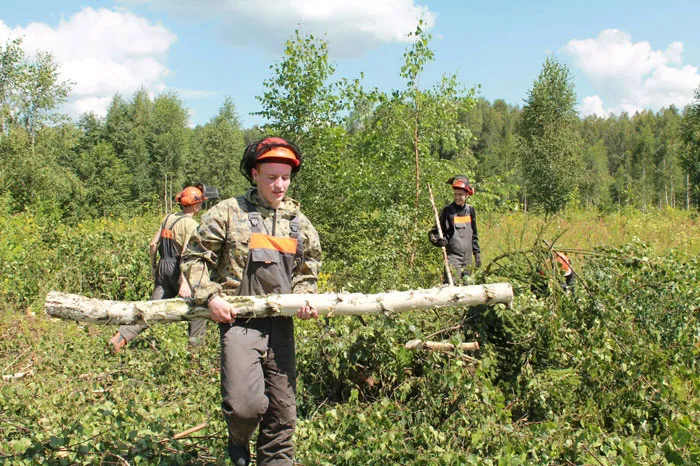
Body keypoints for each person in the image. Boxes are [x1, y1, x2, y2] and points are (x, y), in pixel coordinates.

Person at [181, 137, 322, 466]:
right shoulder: (228, 213)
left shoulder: (298, 222)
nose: (279, 185)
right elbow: (193, 257)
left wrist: (304, 295)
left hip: (281, 325)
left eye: (285, 177)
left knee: (283, 414)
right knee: (246, 406)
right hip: (239, 323)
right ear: (255, 174)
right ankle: (238, 440)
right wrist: (211, 296)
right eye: (271, 177)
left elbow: (308, 267)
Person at [109, 186, 209, 352]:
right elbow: (185, 253)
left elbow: (153, 243)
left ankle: (119, 338)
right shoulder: (191, 224)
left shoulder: (168, 217)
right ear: (195, 205)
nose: (200, 207)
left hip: (163, 266)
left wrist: (155, 267)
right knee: (199, 308)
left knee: (151, 309)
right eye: (200, 203)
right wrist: (184, 282)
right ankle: (195, 351)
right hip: (178, 269)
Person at [428, 175, 481, 285]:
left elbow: (474, 235)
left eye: (460, 195)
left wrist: (477, 254)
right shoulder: (447, 211)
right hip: (453, 259)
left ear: (467, 195)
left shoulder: (470, 211)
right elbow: (433, 233)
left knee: (468, 290)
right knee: (451, 289)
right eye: (455, 194)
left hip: (467, 260)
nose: (457, 197)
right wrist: (438, 241)